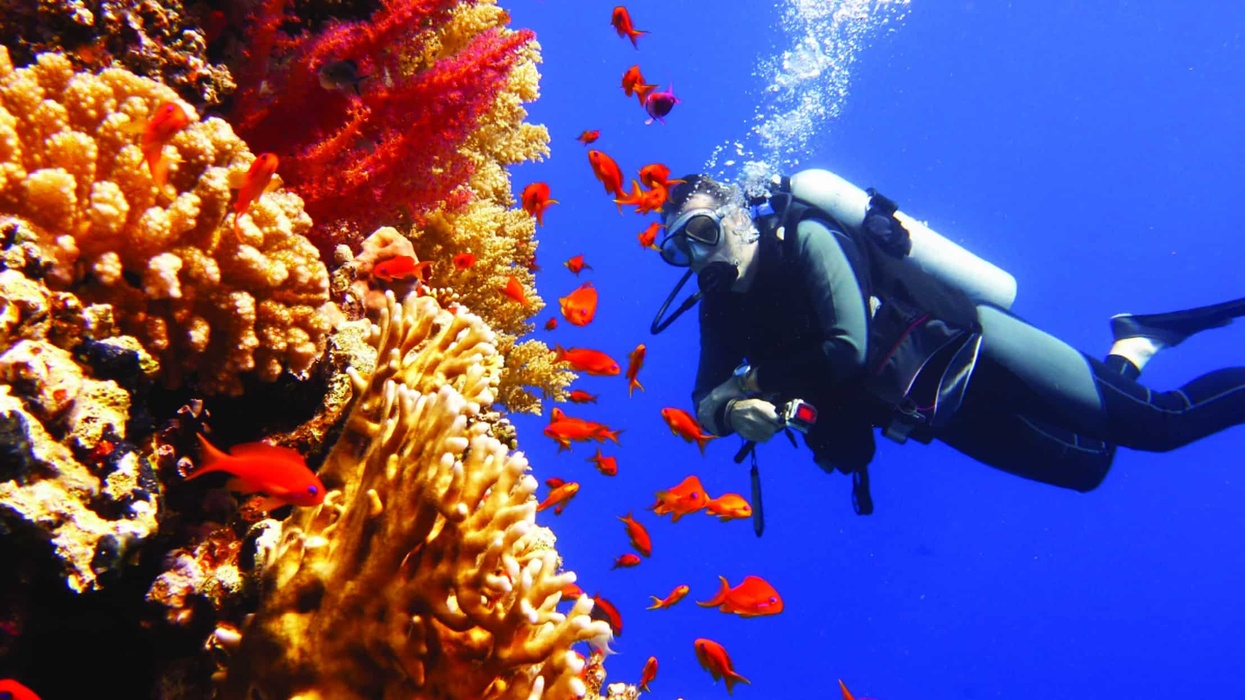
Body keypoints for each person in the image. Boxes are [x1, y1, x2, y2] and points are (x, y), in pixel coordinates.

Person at [655, 172, 1245, 513]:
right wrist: (731, 411)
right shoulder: (719, 309)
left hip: (981, 354)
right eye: (679, 249)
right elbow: (704, 401)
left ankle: (1140, 350)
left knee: (1162, 426)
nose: (699, 254)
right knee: (1089, 466)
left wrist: (751, 382)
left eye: (703, 231)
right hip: (931, 413)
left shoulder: (805, 235)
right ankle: (1134, 344)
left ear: (738, 218)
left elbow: (848, 348)